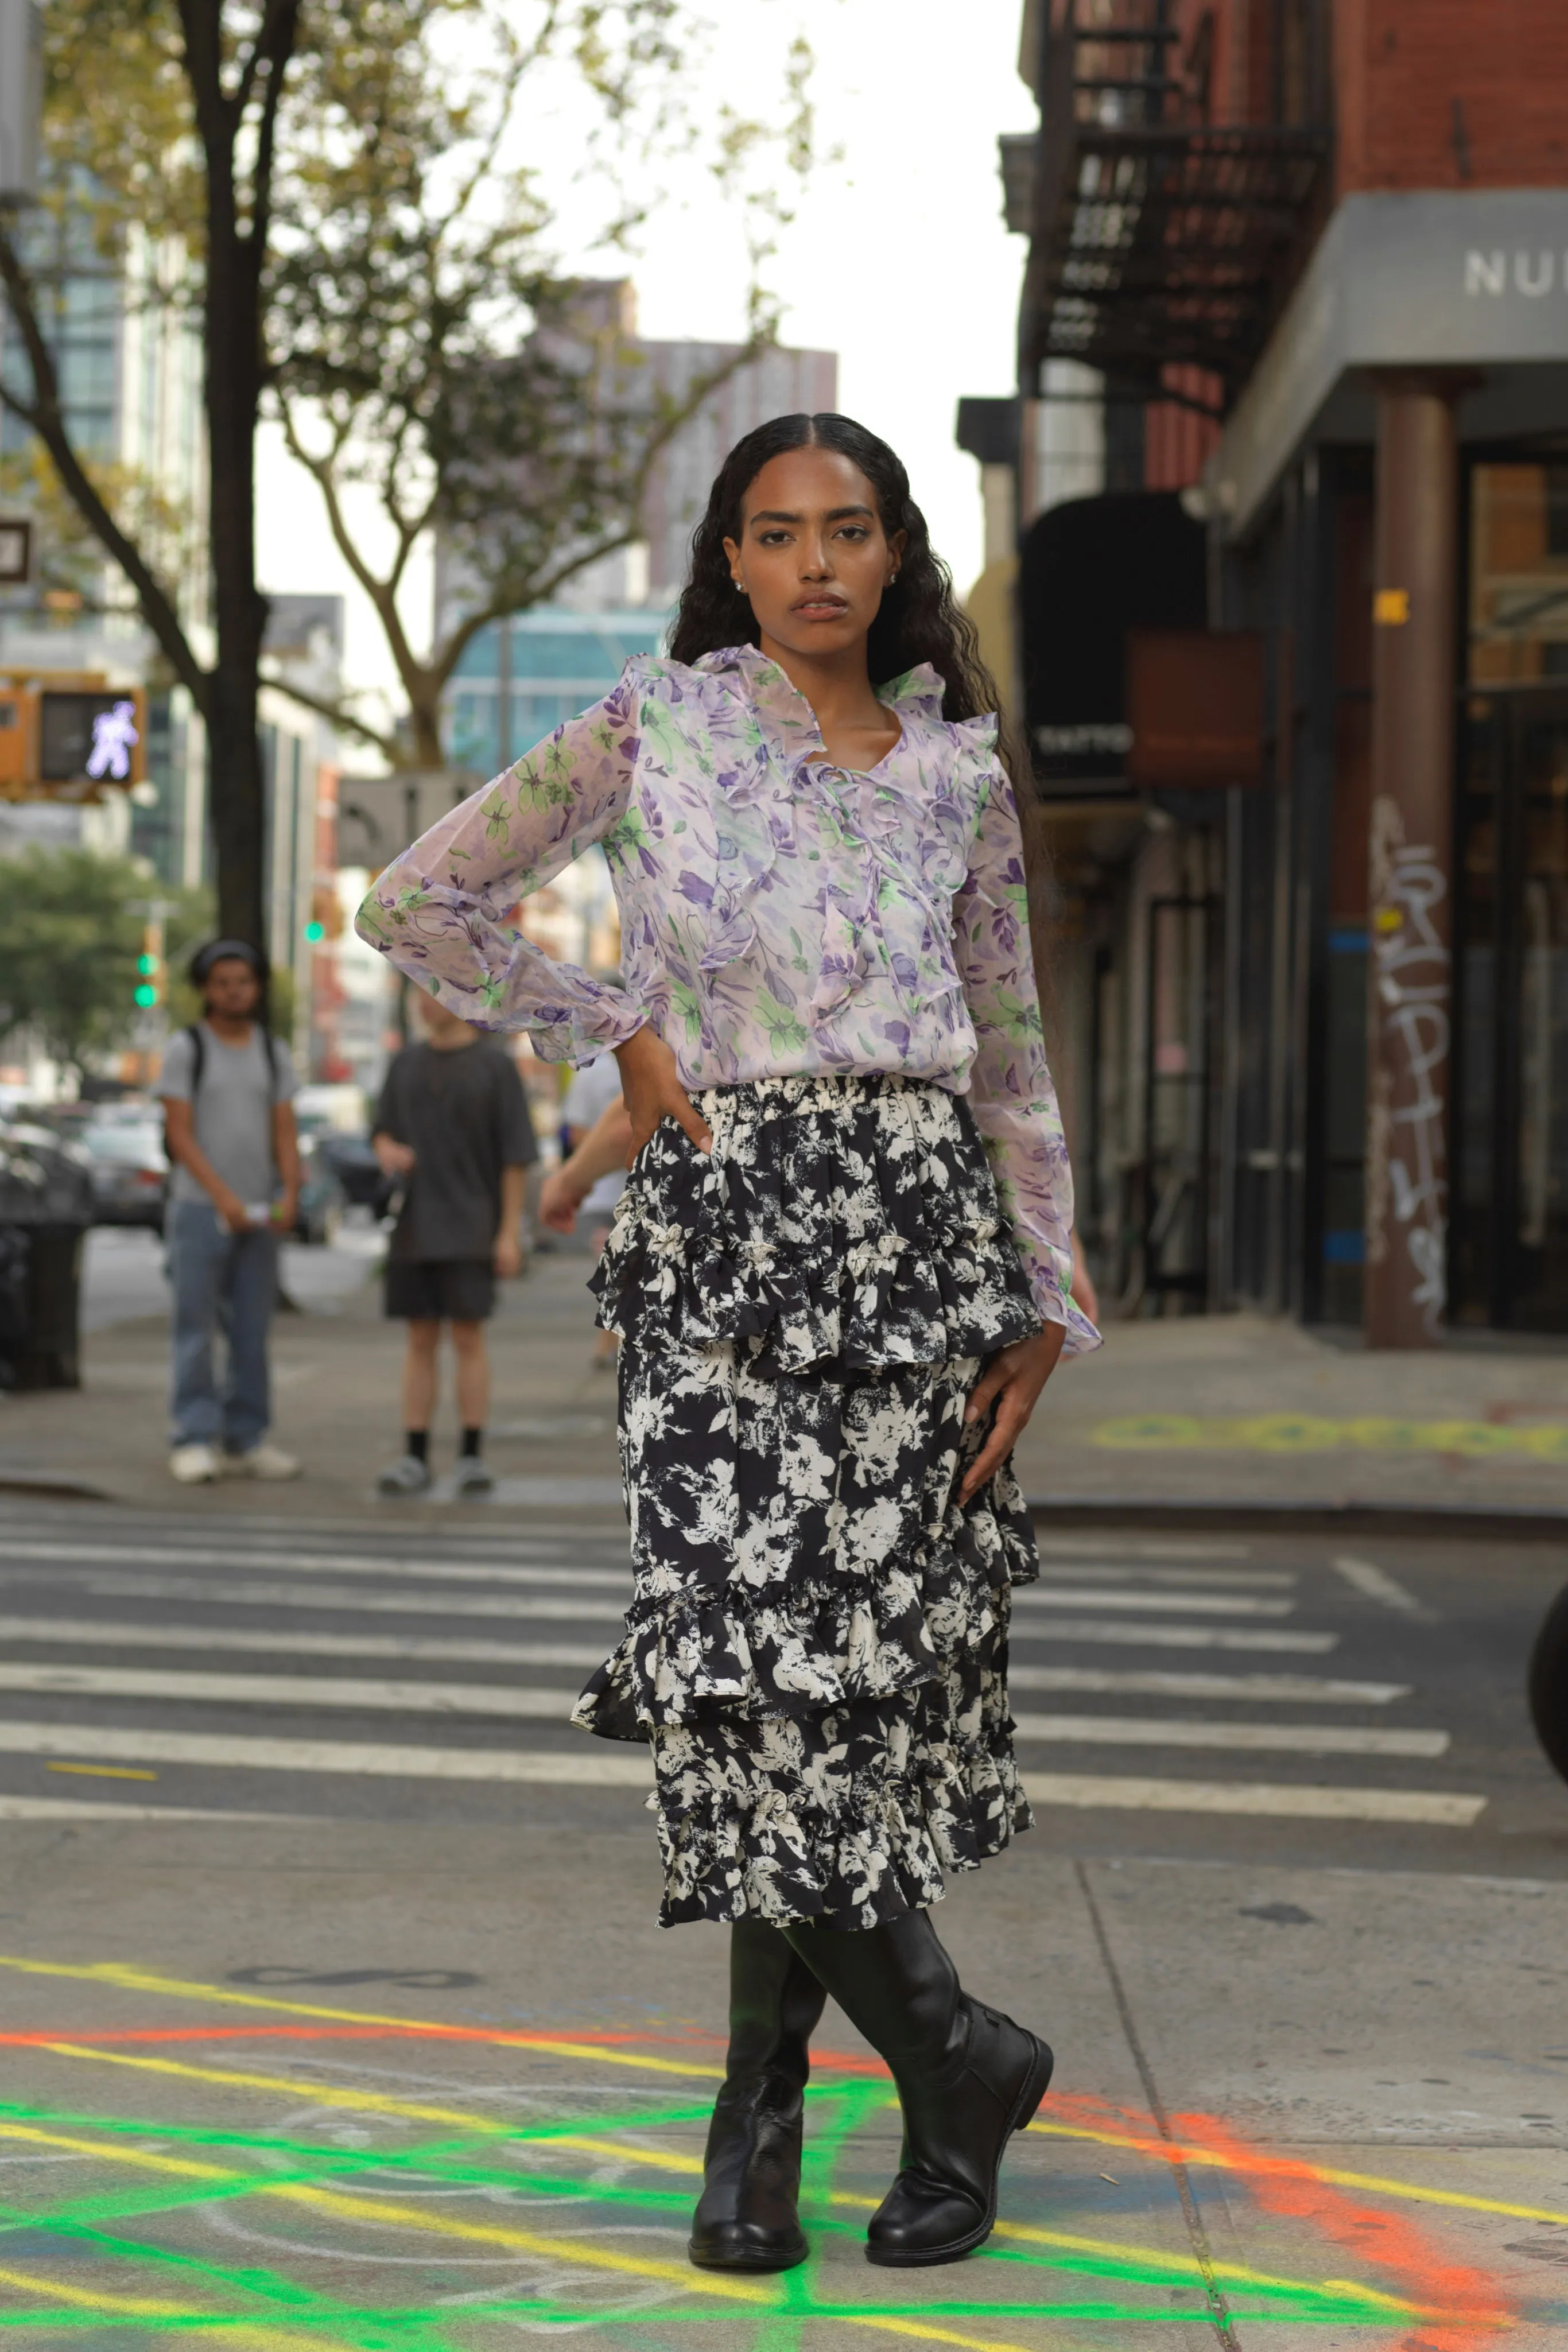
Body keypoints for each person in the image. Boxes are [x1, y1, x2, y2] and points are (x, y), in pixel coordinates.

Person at [358, 412, 1100, 2273]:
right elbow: (419, 894)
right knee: (736, 1668)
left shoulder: (958, 773)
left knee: (835, 1697)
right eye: (778, 535)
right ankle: (960, 2055)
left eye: (849, 529)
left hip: (917, 1245)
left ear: (892, 548)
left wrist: (1048, 1297)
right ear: (737, 560)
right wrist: (610, 1021)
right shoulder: (654, 722)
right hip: (719, 1238)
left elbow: (1009, 1053)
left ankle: (758, 2117)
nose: (817, 564)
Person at [372, 993, 537, 1497]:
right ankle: (414, 1454)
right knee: (419, 1340)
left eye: (433, 993)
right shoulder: (404, 1065)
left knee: (469, 1339)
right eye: (418, 993)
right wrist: (386, 1149)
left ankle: (470, 1455)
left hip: (471, 1226)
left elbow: (516, 1158)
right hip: (414, 1226)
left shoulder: (495, 1067)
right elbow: (380, 1132)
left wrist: (508, 1233)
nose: (423, 1003)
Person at [158, 938, 302, 1485]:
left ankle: (247, 1437)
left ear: (257, 987)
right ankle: (193, 1436)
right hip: (199, 1209)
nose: (233, 991)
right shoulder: (187, 1049)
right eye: (221, 982)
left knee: (252, 1329)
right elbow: (179, 1134)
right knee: (194, 1327)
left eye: (242, 981)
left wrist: (289, 1192)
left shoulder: (273, 1051)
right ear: (205, 990)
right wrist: (222, 1197)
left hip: (261, 1212)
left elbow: (284, 1130)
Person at [557, 1051, 627, 1365]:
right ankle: (609, 1344)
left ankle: (612, 1344)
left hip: (643, 1190)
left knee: (625, 1270)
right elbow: (576, 1130)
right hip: (603, 1196)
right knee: (615, 1269)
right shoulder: (591, 1070)